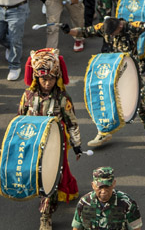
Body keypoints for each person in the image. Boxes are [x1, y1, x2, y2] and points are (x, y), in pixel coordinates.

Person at [65, 17, 145, 154]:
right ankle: (104, 131)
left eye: (113, 33)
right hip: (112, 70)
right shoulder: (105, 27)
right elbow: (86, 31)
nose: (109, 35)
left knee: (141, 104)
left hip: (130, 70)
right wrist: (69, 31)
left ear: (120, 26)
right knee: (106, 99)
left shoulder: (131, 27)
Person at [19, 48, 81, 230]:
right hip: (33, 143)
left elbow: (72, 122)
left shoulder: (63, 98)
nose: (47, 83)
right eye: (43, 79)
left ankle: (45, 215)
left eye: (51, 79)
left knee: (51, 176)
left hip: (56, 144)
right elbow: (19, 120)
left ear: (57, 78)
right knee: (37, 176)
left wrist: (77, 145)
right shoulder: (27, 96)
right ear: (36, 78)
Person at [72, 167, 142, 230]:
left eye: (107, 187)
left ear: (114, 184)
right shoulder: (84, 202)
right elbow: (77, 227)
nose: (104, 191)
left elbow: (136, 228)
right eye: (100, 187)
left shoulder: (127, 203)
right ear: (93, 185)